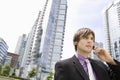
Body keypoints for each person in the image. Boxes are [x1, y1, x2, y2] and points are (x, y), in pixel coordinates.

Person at [54, 27, 120, 80]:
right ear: (75, 42)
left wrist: (110, 60)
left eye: (92, 39)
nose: (90, 41)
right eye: (85, 38)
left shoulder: (101, 65)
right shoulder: (63, 66)